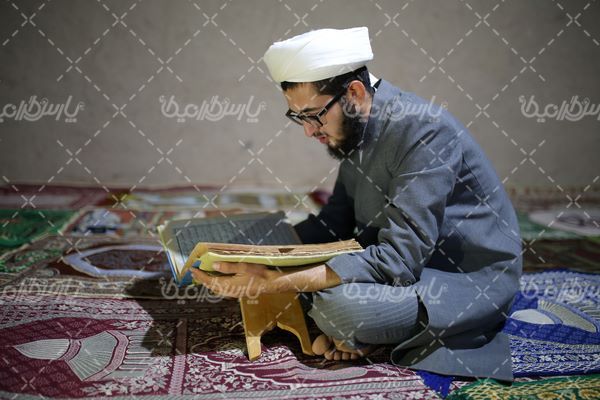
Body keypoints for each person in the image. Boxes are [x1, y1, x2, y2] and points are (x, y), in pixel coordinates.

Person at [192, 27, 522, 380]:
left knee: (340, 308)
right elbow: (333, 223)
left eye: (314, 115)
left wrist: (276, 281)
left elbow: (400, 260)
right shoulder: (356, 126)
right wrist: (251, 251)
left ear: (354, 93)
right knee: (313, 288)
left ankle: (356, 331)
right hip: (398, 267)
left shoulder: (425, 132)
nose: (308, 131)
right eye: (298, 117)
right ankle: (358, 334)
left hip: (457, 280)